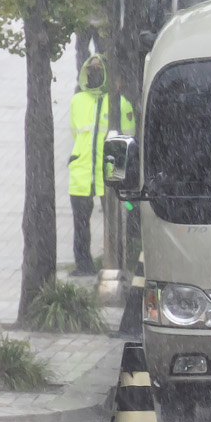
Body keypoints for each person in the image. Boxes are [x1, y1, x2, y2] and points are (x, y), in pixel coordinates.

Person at [68, 54, 135, 277]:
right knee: (80, 224)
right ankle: (83, 265)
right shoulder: (77, 101)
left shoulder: (119, 103)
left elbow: (129, 137)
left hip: (109, 171)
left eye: (98, 71)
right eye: (91, 71)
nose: (93, 75)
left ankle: (115, 263)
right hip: (82, 171)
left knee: (115, 221)